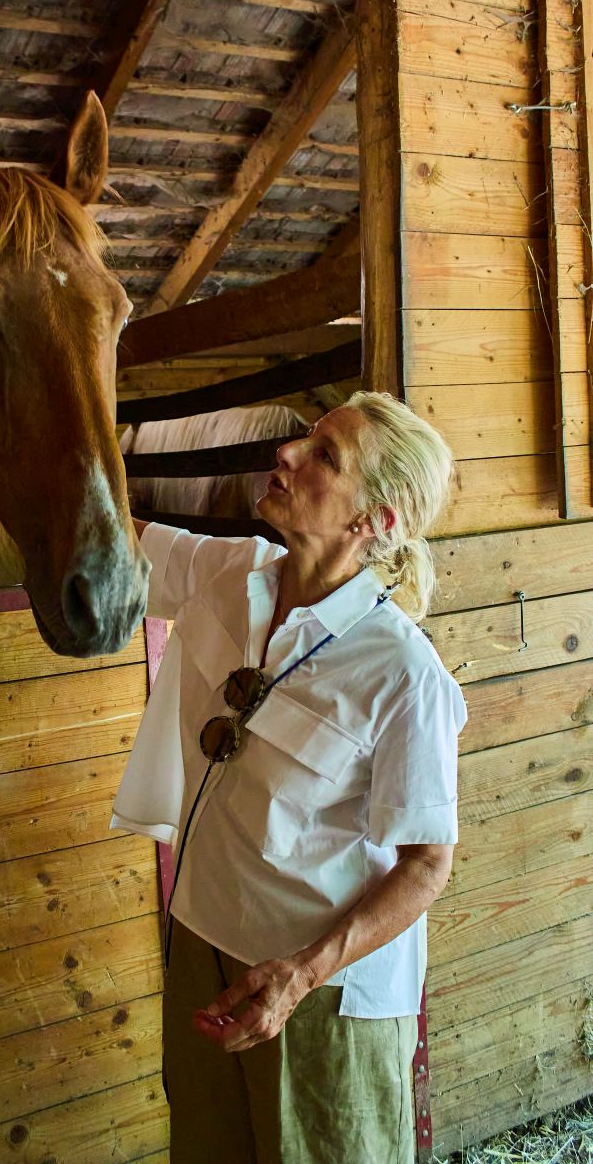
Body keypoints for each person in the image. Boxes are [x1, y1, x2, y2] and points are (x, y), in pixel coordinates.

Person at [110, 391, 467, 1164]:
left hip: (321, 993)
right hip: (201, 939)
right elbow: (108, 534)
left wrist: (301, 976)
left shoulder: (403, 674)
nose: (287, 453)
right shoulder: (232, 572)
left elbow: (426, 864)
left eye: (323, 456)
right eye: (307, 437)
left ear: (373, 521)